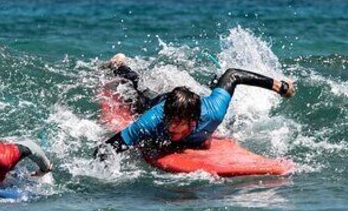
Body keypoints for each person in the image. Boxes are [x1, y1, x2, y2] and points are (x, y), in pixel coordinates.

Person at [97, 54, 295, 157]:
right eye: (169, 121)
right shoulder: (153, 120)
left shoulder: (213, 112)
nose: (170, 127)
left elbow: (233, 74)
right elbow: (106, 149)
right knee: (140, 94)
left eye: (177, 122)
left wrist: (279, 86)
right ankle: (119, 66)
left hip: (190, 103)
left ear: (193, 121)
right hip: (162, 103)